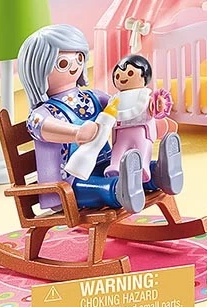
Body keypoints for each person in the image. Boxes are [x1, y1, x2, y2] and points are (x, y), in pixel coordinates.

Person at [18, 25, 183, 215]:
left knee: (127, 170)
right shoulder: (41, 113)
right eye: (63, 63)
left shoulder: (93, 97)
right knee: (107, 185)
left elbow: (122, 108)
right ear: (39, 70)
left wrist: (149, 116)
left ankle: (160, 173)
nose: (74, 65)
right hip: (69, 183)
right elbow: (44, 127)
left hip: (105, 165)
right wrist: (77, 133)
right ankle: (121, 190)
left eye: (79, 58)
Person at [105, 55, 183, 194]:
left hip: (141, 131)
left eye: (130, 73)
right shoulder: (115, 99)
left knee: (142, 148)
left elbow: (156, 109)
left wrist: (159, 105)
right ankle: (115, 166)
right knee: (118, 150)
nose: (123, 77)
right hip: (120, 133)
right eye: (118, 75)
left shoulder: (145, 96)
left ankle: (143, 168)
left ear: (145, 76)